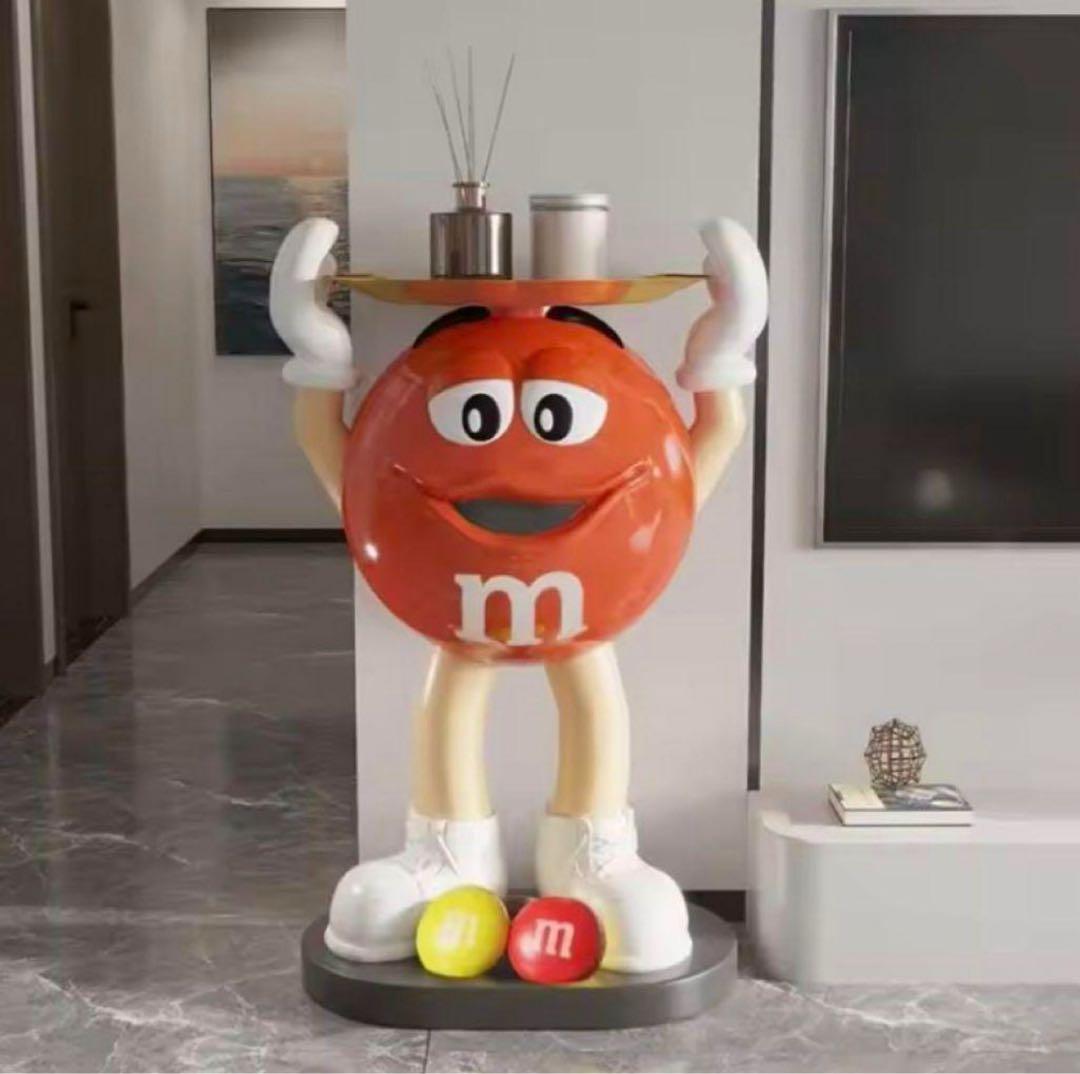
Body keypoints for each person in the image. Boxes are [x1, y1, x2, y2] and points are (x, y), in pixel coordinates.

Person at [269, 217, 767, 972]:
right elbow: (329, 445)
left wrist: (724, 344)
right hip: (457, 620)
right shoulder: (388, 470)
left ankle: (594, 851)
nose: (513, 464)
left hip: (583, 620)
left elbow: (716, 434)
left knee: (585, 695)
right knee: (461, 694)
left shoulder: (648, 475)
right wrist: (318, 349)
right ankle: (447, 851)